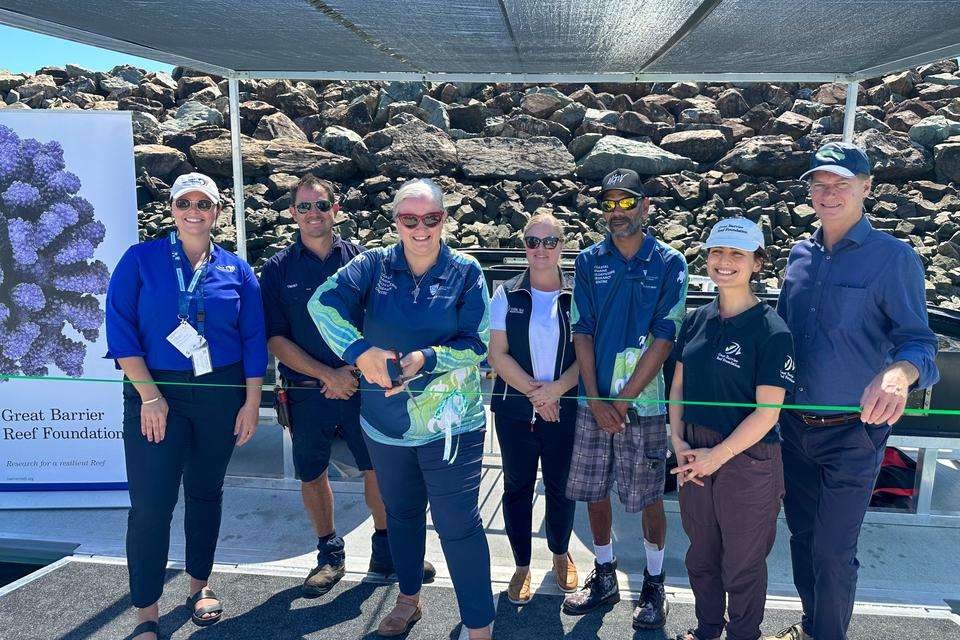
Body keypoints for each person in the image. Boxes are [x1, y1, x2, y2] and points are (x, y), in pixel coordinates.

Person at [309, 178, 494, 638]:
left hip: (450, 425)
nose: (420, 228)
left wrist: (425, 359)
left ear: (444, 220)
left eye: (430, 218)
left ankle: (479, 626)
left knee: (458, 526)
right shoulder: (373, 264)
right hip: (385, 425)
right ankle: (408, 599)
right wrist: (358, 352)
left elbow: (477, 345)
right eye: (409, 219)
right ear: (396, 222)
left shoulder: (467, 271)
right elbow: (321, 303)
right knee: (403, 514)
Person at [773, 142, 939, 640]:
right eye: (819, 184)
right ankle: (808, 627)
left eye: (841, 184)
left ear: (866, 188)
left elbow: (920, 344)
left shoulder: (894, 259)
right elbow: (781, 335)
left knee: (832, 550)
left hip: (854, 434)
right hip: (793, 427)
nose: (828, 194)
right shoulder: (799, 256)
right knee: (802, 539)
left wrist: (899, 374)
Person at [105, 172, 267, 640]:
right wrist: (149, 397)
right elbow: (121, 332)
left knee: (205, 492)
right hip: (155, 393)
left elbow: (254, 339)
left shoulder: (237, 270)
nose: (194, 211)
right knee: (152, 505)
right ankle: (146, 614)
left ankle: (200, 585)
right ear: (172, 209)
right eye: (184, 202)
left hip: (220, 393)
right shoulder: (140, 260)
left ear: (219, 211)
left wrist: (251, 402)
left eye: (204, 203)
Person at [259, 174, 434, 596]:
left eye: (321, 205)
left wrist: (351, 374)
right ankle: (329, 553)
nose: (313, 213)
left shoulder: (361, 260)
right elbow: (275, 337)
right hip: (305, 390)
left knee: (376, 468)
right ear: (292, 213)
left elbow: (380, 323)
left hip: (362, 386)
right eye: (304, 206)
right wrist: (326, 375)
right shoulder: (278, 269)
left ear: (336, 210)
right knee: (313, 472)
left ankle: (387, 548)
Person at [563, 168, 688, 630]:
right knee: (594, 492)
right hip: (593, 404)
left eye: (626, 202)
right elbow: (583, 328)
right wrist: (596, 398)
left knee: (649, 496)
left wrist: (623, 400)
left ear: (645, 206)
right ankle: (605, 574)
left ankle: (654, 583)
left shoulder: (670, 262)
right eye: (609, 204)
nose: (617, 212)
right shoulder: (588, 260)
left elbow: (665, 334)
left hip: (647, 405)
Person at [668, 218, 794, 640]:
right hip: (694, 450)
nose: (724, 262)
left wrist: (716, 456)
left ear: (758, 262)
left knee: (742, 563)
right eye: (717, 253)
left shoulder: (772, 331)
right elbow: (679, 386)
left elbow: (767, 413)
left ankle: (743, 635)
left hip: (747, 458)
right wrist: (677, 438)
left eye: (737, 254)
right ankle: (706, 630)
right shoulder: (696, 319)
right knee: (701, 555)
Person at [488, 212, 580, 605]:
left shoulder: (579, 296)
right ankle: (522, 564)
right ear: (523, 246)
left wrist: (557, 390)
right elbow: (498, 354)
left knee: (562, 487)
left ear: (562, 246)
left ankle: (560, 554)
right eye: (532, 241)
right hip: (516, 412)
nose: (540, 250)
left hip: (565, 410)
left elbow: (586, 357)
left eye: (549, 241)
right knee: (517, 488)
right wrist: (536, 396)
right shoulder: (506, 293)